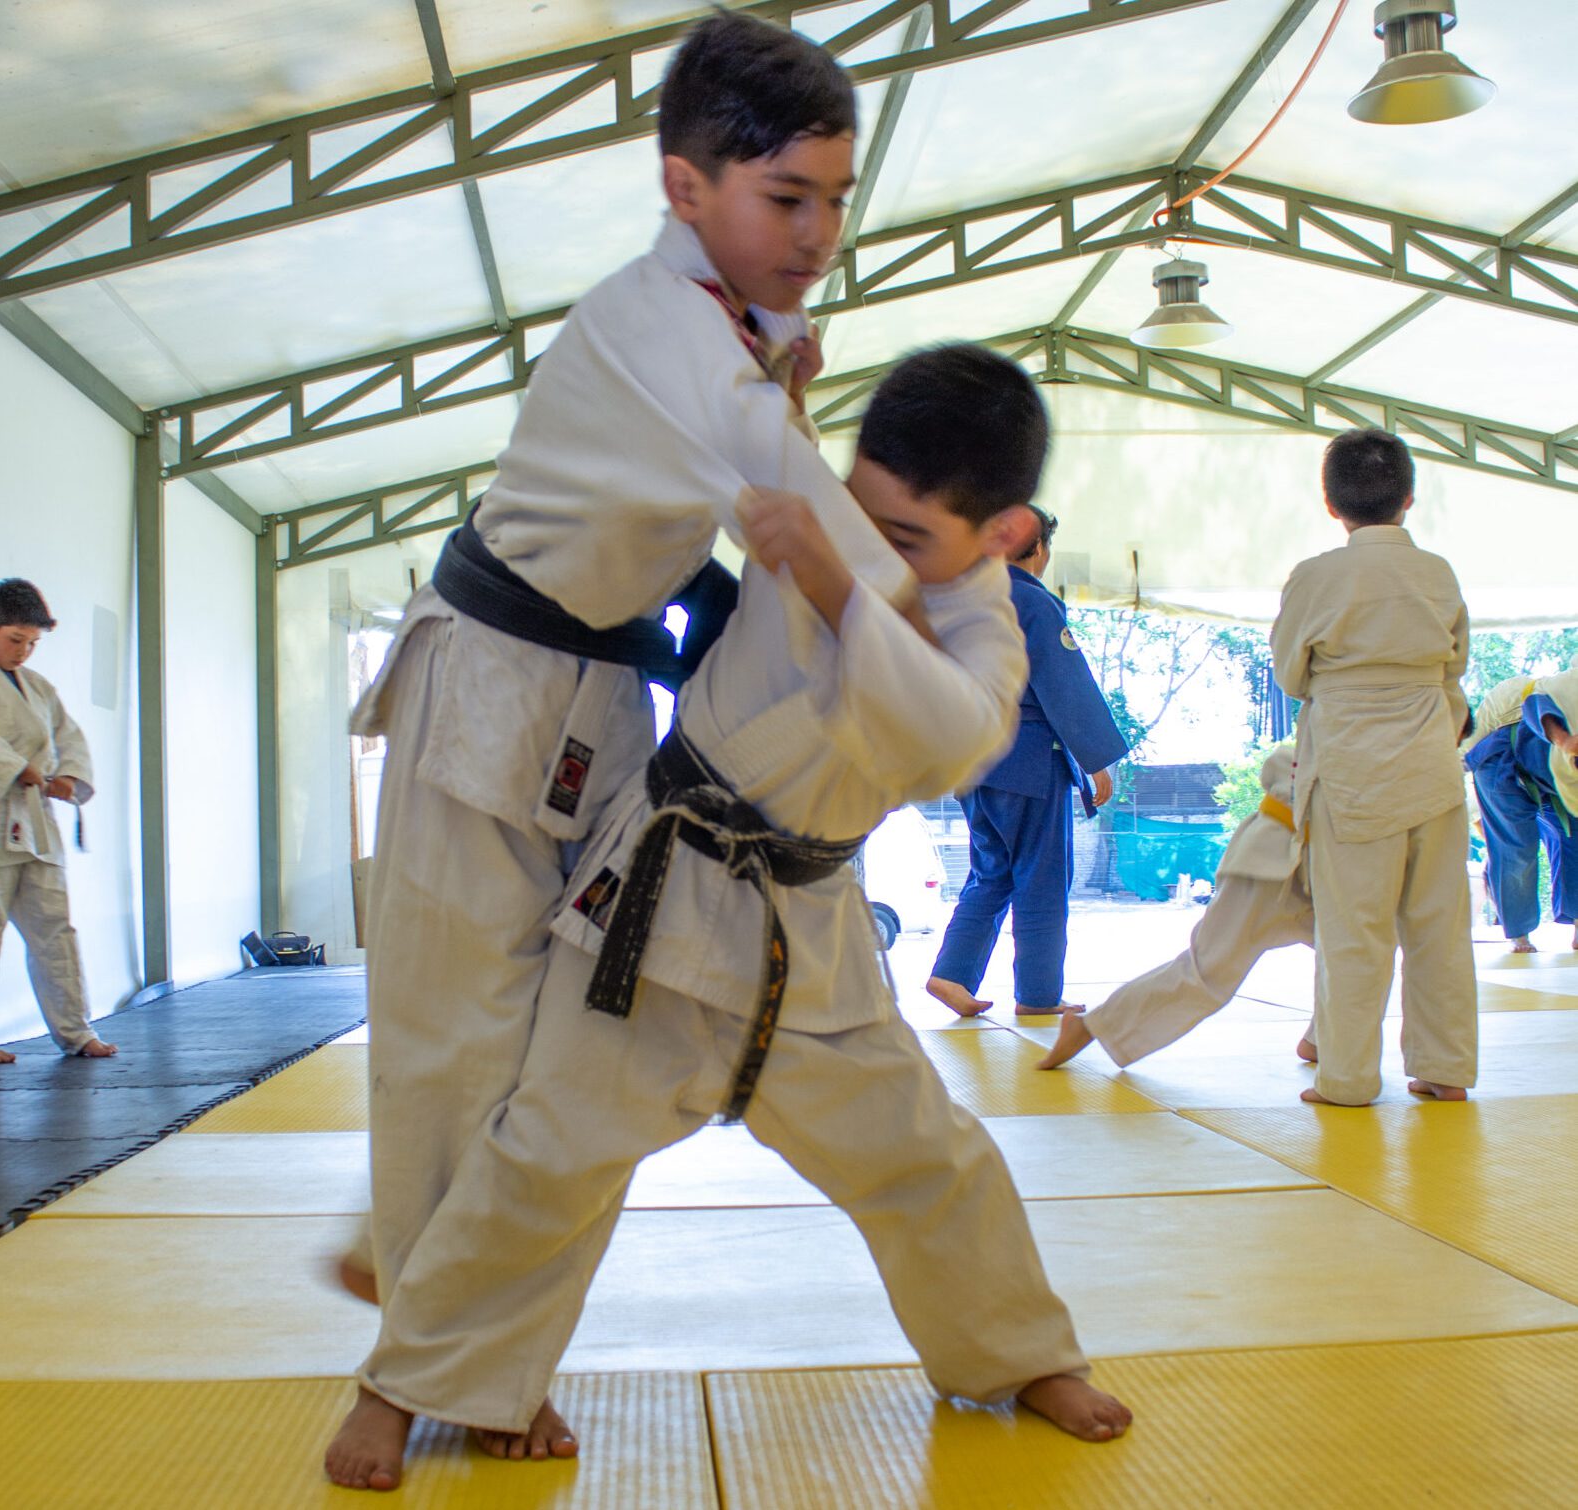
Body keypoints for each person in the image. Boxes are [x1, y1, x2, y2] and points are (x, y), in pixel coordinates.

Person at [324, 346, 1131, 1492]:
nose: (865, 544)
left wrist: (842, 581)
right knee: (542, 1161)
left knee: (932, 1162)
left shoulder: (987, 633)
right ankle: (407, 1382)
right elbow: (720, 433)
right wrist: (770, 385)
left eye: (906, 540)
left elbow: (950, 739)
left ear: (1000, 534)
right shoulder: (816, 506)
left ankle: (1017, 1354)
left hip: (813, 948)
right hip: (657, 913)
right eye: (860, 512)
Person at [335, 10, 918, 1464]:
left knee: (559, 1055)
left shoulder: (740, 328)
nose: (817, 234)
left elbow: (748, 485)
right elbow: (818, 531)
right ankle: (435, 1357)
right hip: (484, 688)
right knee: (451, 1042)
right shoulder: (662, 328)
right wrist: (952, 601)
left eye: (837, 199)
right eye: (786, 198)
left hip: (595, 696)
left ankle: (448, 1313)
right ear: (683, 188)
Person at [1269, 427, 1476, 1107]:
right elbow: (1454, 665)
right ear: (1408, 497)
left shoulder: (1315, 576)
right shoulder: (1437, 573)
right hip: (1430, 763)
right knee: (1437, 925)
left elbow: (1292, 676)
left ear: (1330, 503)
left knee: (1353, 930)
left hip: (1351, 768)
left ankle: (1348, 1078)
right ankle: (1444, 1067)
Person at [926, 508, 1126, 1019]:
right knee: (1041, 878)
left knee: (991, 874)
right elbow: (1063, 685)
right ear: (1036, 550)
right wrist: (1097, 759)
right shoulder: (1029, 601)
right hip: (1028, 759)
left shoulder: (955, 602)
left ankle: (951, 974)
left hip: (972, 759)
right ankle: (1038, 994)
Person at [0, 579, 116, 1064]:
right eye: (15, 640)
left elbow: (68, 738)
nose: (24, 652)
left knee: (56, 930)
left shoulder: (39, 688)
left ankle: (76, 1032)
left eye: (33, 643)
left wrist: (68, 779)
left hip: (36, 825)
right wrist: (18, 768)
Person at [1037, 744, 1310, 1070]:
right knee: (1209, 970)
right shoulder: (1336, 720)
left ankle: (1325, 1041)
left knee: (1355, 955)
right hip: (1276, 857)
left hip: (1339, 865)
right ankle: (1095, 1025)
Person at [1465, 666, 1578, 953]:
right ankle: (1520, 934)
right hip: (1500, 766)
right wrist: (1564, 740)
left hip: (1554, 773)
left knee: (1573, 839)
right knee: (1516, 847)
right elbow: (1535, 705)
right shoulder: (1531, 692)